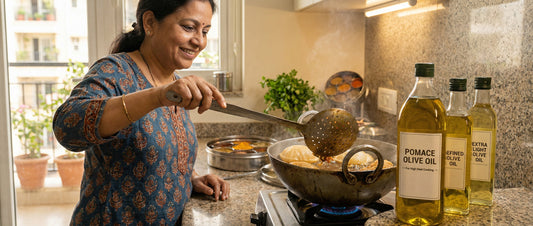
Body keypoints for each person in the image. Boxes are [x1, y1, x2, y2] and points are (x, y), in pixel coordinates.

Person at [52, 0, 230, 225]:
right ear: (149, 23)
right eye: (188, 27)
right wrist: (157, 96)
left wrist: (190, 179)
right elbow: (67, 127)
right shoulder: (113, 70)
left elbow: (158, 152)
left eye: (204, 31)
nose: (199, 41)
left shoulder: (173, 82)